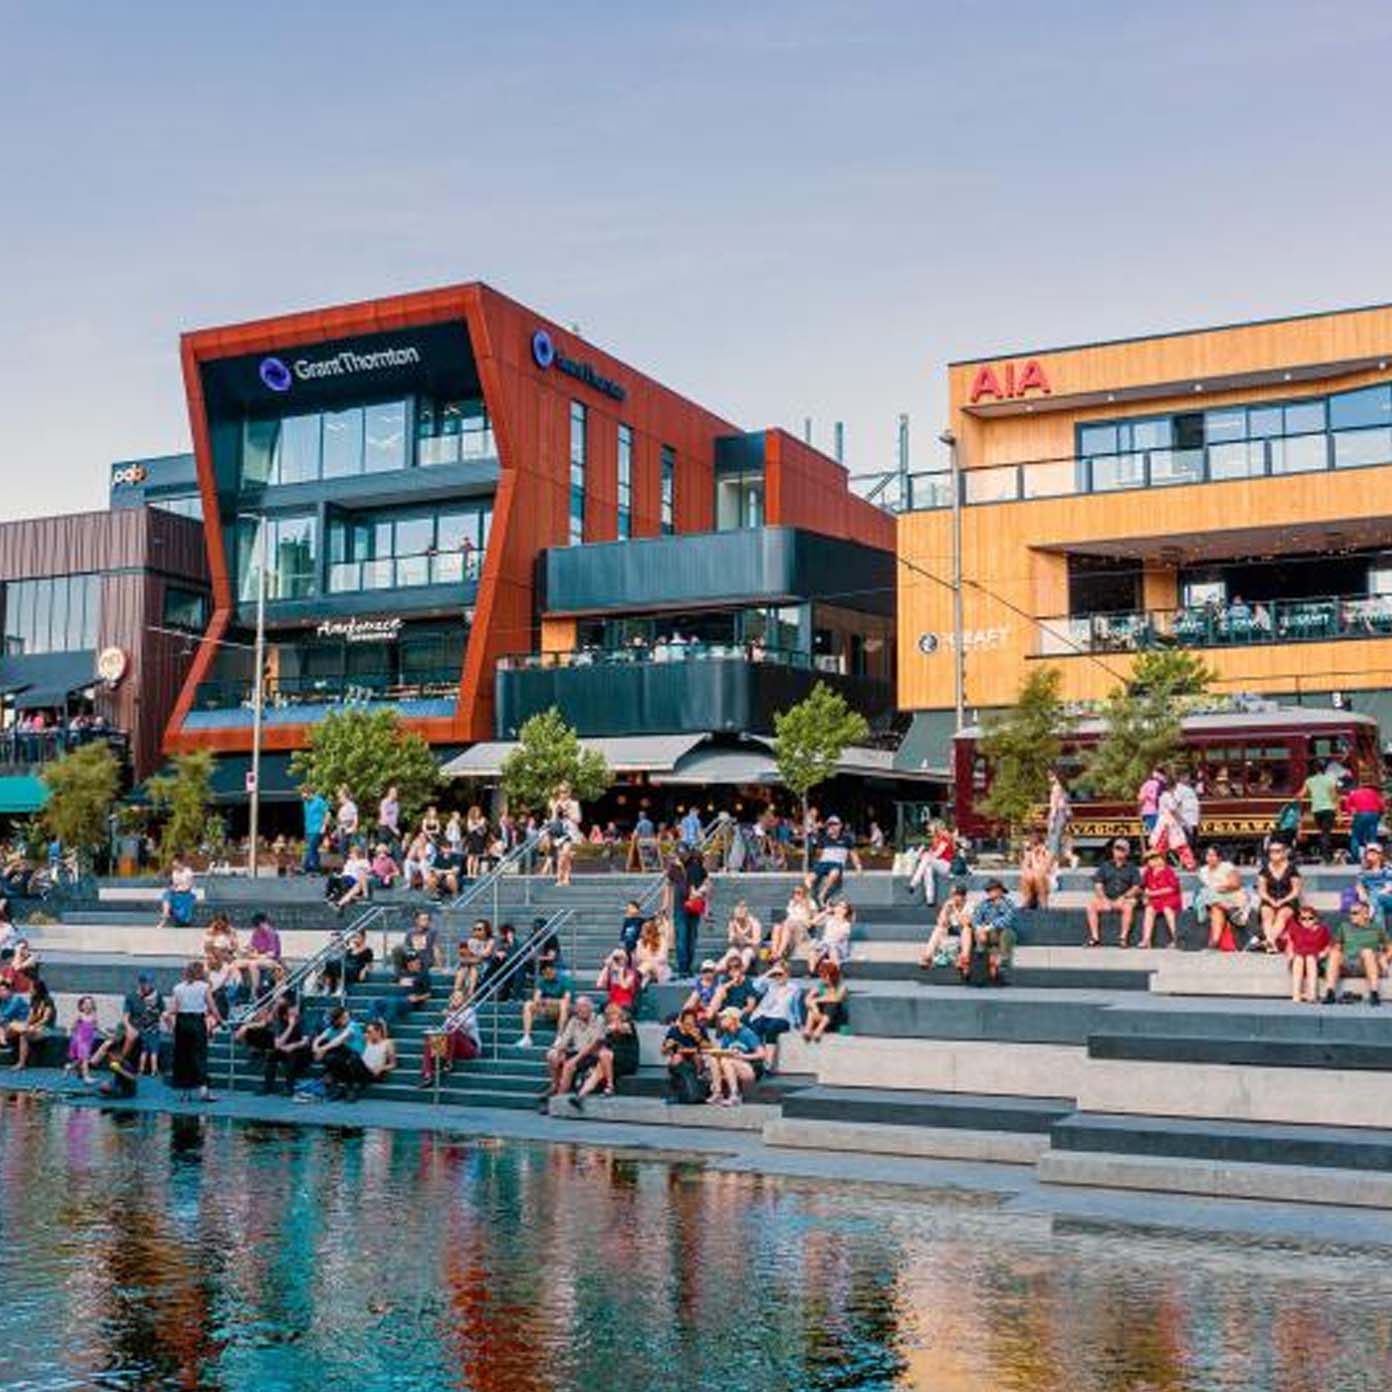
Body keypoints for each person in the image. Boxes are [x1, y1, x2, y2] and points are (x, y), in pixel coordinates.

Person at [171, 959, 220, 1103]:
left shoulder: (178, 987)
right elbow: (212, 1006)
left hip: (182, 1022)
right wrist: (221, 1020)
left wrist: (167, 1015)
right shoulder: (204, 986)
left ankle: (185, 1093)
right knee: (199, 1055)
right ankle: (204, 1091)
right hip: (196, 1021)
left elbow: (175, 1008)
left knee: (184, 1057)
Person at [573, 1002, 640, 1103]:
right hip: (611, 1061)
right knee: (598, 1070)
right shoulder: (607, 1030)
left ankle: (610, 1085)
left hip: (628, 1061)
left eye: (613, 1013)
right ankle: (581, 1095)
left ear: (620, 1015)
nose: (610, 1016)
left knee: (604, 1054)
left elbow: (622, 1028)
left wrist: (611, 1028)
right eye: (608, 1014)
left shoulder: (629, 1025)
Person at [1324, 900, 1386, 1006]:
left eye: (1355, 913)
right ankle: (1330, 993)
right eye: (1350, 912)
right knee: (1335, 953)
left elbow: (1390, 947)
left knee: (1367, 952)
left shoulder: (1377, 928)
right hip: (1347, 964)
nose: (1351, 915)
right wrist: (1330, 951)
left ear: (1366, 914)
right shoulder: (1344, 926)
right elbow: (1337, 946)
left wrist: (1385, 958)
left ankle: (1374, 993)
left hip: (1366, 964)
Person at [546, 994, 606, 1099]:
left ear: (590, 1007)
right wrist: (558, 1050)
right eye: (578, 1007)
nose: (580, 1010)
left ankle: (558, 1096)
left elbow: (595, 1044)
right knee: (552, 1055)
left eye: (583, 1006)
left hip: (591, 1054)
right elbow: (565, 1039)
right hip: (576, 1052)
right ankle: (554, 1085)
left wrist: (575, 1059)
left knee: (569, 1065)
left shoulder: (599, 1019)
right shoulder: (574, 1020)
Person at [1086, 839, 1141, 948]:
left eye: (1122, 850)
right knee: (1090, 905)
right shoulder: (1105, 866)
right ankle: (1095, 938)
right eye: (1117, 849)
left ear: (1127, 852)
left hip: (1124, 898)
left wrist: (1124, 897)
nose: (1119, 852)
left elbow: (1136, 887)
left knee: (1128, 906)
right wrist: (1104, 899)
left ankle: (1123, 938)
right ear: (1113, 851)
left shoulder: (1132, 868)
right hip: (1107, 898)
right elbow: (1098, 884)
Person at [1193, 846, 1249, 950]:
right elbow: (1207, 887)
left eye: (1213, 855)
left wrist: (1222, 888)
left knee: (1211, 899)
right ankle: (1215, 939)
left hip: (1231, 894)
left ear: (1219, 857)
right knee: (1209, 899)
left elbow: (1236, 884)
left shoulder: (1227, 866)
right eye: (1208, 855)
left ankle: (1214, 940)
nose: (1211, 858)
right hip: (1215, 898)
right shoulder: (1203, 871)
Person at [961, 879, 1016, 984]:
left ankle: (1003, 960)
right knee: (977, 933)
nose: (990, 893)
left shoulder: (1008, 903)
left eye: (992, 890)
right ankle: (980, 959)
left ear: (1000, 891)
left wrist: (989, 927)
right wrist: (979, 928)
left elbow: (1008, 919)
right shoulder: (984, 904)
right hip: (986, 933)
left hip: (1002, 932)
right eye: (988, 891)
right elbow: (976, 918)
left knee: (1006, 933)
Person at [421, 992, 481, 1087]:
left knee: (452, 1030)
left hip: (470, 1048)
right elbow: (443, 1031)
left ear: (464, 1000)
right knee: (431, 1037)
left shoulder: (469, 1011)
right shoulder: (451, 1013)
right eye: (454, 997)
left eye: (459, 997)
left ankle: (448, 1063)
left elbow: (466, 1025)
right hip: (454, 1049)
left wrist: (450, 1015)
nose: (456, 999)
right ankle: (427, 1075)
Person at [748, 961, 800, 1071]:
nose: (778, 977)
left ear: (787, 974)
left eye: (780, 974)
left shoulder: (794, 988)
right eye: (776, 974)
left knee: (772, 1028)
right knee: (756, 1025)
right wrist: (769, 973)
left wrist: (798, 1022)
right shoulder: (770, 984)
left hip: (782, 1017)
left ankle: (768, 1063)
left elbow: (795, 1006)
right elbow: (754, 986)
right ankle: (755, 1060)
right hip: (764, 1015)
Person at [707, 1007, 764, 1106]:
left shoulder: (747, 1033)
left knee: (726, 1060)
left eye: (724, 1018)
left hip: (751, 1068)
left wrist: (742, 1056)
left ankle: (735, 1095)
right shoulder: (727, 1034)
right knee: (713, 1059)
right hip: (733, 1066)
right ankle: (717, 1093)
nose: (721, 1020)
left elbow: (762, 1054)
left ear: (733, 1019)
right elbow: (724, 1052)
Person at [312, 1006, 371, 1101]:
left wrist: (322, 1049)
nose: (347, 1019)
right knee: (331, 1054)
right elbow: (319, 1038)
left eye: (347, 1017)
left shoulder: (352, 1026)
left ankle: (350, 1089)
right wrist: (315, 1047)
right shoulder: (332, 1029)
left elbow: (340, 1040)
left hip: (359, 1065)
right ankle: (335, 1088)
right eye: (344, 1018)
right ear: (337, 1020)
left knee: (341, 1050)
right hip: (344, 1061)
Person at [1255, 841, 1301, 953]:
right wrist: (1270, 900)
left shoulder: (1292, 869)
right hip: (1269, 898)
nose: (1274, 854)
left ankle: (1268, 941)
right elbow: (1261, 891)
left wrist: (1282, 901)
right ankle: (1271, 944)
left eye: (1277, 851)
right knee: (1266, 913)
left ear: (1284, 853)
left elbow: (1296, 891)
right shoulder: (1264, 870)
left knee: (1282, 914)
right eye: (1271, 851)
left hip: (1288, 899)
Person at [261, 996, 312, 1095]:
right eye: (291, 1010)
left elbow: (305, 1041)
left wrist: (292, 1046)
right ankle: (267, 1086)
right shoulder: (279, 1022)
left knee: (291, 1054)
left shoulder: (301, 1020)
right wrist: (290, 1026)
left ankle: (289, 1087)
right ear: (285, 1015)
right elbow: (278, 1044)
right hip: (285, 1048)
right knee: (271, 1054)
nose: (294, 1011)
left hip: (301, 1051)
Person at [808, 814, 860, 908]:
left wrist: (858, 866)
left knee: (834, 873)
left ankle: (822, 895)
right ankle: (809, 899)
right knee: (809, 878)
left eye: (835, 824)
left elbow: (853, 854)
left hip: (836, 864)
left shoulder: (846, 839)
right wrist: (816, 865)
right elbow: (819, 854)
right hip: (823, 863)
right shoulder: (823, 839)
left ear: (840, 826)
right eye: (830, 824)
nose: (832, 826)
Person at [519, 958, 573, 1048]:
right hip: (547, 1008)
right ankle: (526, 1037)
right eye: (544, 974)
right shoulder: (542, 980)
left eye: (548, 973)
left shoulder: (565, 979)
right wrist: (546, 1002)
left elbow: (566, 999)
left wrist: (548, 1001)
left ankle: (559, 1037)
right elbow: (536, 999)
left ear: (553, 970)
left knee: (563, 1004)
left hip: (561, 1009)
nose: (546, 975)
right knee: (528, 1004)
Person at [662, 1005, 710, 1104]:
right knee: (677, 1058)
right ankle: (679, 1092)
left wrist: (698, 1038)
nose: (690, 1026)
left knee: (697, 1057)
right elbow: (663, 1051)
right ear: (682, 1023)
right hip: (679, 1061)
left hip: (695, 1059)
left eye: (692, 1023)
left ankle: (694, 1086)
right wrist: (668, 1046)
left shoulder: (699, 1029)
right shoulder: (674, 1031)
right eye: (687, 1023)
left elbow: (709, 1047)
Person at [1287, 904, 1332, 1005]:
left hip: (1316, 959)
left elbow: (1329, 944)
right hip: (1298, 958)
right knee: (1299, 958)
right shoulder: (1295, 929)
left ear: (1315, 919)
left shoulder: (1322, 929)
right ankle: (1296, 994)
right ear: (1299, 920)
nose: (1307, 921)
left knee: (1310, 959)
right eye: (1303, 918)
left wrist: (1324, 953)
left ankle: (1312, 995)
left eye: (1310, 918)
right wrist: (1290, 954)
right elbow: (1290, 943)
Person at [921, 881, 972, 968]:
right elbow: (941, 922)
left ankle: (964, 958)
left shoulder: (970, 905)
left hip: (966, 931)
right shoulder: (949, 904)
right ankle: (928, 956)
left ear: (962, 896)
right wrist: (945, 911)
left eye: (955, 895)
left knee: (966, 929)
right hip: (951, 929)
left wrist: (955, 910)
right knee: (939, 929)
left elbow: (965, 923)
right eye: (952, 895)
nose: (953, 898)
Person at [124, 973, 165, 1076]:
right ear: (141, 984)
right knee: (147, 1049)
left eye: (150, 983)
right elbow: (126, 1016)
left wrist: (169, 1022)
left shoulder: (157, 995)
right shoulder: (131, 996)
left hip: (150, 1028)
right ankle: (123, 1059)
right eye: (146, 983)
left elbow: (163, 1011)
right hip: (137, 1026)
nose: (149, 986)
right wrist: (129, 1027)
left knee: (148, 1050)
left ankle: (149, 1069)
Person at [1139, 849, 1182, 949]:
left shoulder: (1168, 870)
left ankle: (1176, 938)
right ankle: (1146, 939)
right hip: (1155, 899)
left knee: (1167, 909)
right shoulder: (1148, 872)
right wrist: (1145, 896)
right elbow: (1143, 886)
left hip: (1170, 898)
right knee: (1149, 909)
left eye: (1155, 858)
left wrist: (1153, 893)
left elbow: (1172, 888)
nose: (1153, 861)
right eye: (1149, 860)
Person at [9, 978, 53, 1070]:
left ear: (37, 989)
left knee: (23, 1036)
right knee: (12, 1025)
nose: (29, 990)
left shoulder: (48, 1000)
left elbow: (45, 1019)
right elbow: (31, 1015)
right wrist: (27, 1024)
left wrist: (34, 1026)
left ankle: (21, 1063)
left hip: (45, 1028)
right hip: (32, 1027)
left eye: (31, 988)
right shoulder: (33, 999)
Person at [1302, 761, 1340, 863]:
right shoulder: (1330, 779)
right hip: (1328, 809)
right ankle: (1327, 857)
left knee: (1323, 833)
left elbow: (1302, 793)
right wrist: (1338, 810)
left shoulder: (1309, 780)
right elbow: (1334, 795)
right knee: (1326, 833)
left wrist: (1294, 799)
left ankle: (1327, 855)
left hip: (1316, 810)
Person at [802, 960, 847, 1042]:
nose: (822, 978)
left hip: (834, 1018)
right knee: (811, 1009)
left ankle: (819, 1030)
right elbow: (807, 999)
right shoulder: (820, 986)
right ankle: (807, 1030)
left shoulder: (841, 987)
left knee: (832, 1005)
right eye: (821, 975)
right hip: (820, 1016)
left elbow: (836, 998)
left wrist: (816, 1000)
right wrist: (814, 1007)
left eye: (825, 976)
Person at [1345, 779, 1386, 863]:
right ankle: (1373, 858)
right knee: (1372, 837)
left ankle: (1355, 858)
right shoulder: (1374, 793)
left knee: (1355, 837)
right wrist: (1381, 813)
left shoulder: (1354, 793)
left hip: (1360, 815)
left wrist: (1351, 813)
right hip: (1373, 815)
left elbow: (1347, 804)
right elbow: (1381, 805)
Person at [770, 886, 814, 961]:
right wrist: (794, 905)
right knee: (777, 925)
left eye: (798, 893)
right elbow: (788, 916)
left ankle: (780, 953)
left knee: (788, 923)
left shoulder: (810, 903)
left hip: (801, 929)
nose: (795, 895)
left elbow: (810, 920)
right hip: (789, 928)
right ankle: (774, 952)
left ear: (804, 894)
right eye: (794, 892)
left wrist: (805, 905)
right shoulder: (791, 903)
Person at [1018, 834, 1054, 910]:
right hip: (1031, 880)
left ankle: (1043, 902)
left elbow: (1045, 870)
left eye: (1037, 844)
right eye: (1033, 845)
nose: (1035, 847)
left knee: (1039, 876)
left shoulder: (1047, 854)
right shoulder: (1029, 855)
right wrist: (1029, 856)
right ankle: (1027, 898)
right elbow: (1024, 869)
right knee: (1027, 877)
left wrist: (1042, 854)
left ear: (1042, 844)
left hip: (1045, 880)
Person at [726, 899, 763, 970]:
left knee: (746, 954)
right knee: (731, 954)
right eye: (737, 919)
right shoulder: (733, 922)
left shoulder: (754, 922)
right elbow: (730, 940)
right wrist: (735, 939)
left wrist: (746, 940)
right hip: (737, 946)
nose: (739, 921)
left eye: (741, 920)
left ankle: (739, 973)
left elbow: (757, 941)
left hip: (751, 948)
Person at [158, 861, 197, 928]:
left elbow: (190, 886)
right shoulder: (175, 872)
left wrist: (180, 889)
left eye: (176, 865)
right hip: (176, 891)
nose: (175, 867)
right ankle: (166, 914)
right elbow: (175, 884)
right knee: (166, 894)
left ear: (181, 864)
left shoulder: (188, 872)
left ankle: (164, 919)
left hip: (186, 892)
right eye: (174, 866)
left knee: (169, 896)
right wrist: (173, 888)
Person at [633, 919, 670, 986]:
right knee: (646, 975)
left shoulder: (661, 941)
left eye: (643, 930)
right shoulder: (640, 942)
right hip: (645, 969)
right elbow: (638, 959)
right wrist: (651, 958)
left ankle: (637, 978)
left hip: (659, 969)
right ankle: (640, 988)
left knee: (647, 966)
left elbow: (663, 958)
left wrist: (649, 960)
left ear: (649, 931)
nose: (641, 932)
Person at [360, 1020, 397, 1084]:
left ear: (378, 1032)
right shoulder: (367, 1040)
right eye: (367, 1032)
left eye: (370, 1032)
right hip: (362, 1068)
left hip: (373, 1071)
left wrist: (381, 1068)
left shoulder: (388, 1043)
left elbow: (393, 1064)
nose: (368, 1034)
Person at [302, 788, 329, 873]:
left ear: (310, 793)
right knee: (311, 849)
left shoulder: (319, 801)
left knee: (312, 847)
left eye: (305, 796)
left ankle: (307, 867)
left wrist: (324, 826)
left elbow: (327, 813)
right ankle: (315, 869)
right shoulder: (306, 802)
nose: (304, 798)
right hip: (308, 830)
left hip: (317, 829)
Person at [1045, 771, 1071, 859]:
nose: (1049, 778)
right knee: (1059, 838)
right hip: (1063, 815)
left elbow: (1054, 806)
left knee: (1054, 838)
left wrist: (1052, 820)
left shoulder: (1056, 788)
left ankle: (1054, 861)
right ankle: (1068, 857)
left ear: (1056, 776)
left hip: (1057, 815)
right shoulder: (1063, 788)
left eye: (1051, 776)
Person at [1137, 769, 1164, 840]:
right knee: (1156, 833)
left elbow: (1140, 799)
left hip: (1146, 812)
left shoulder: (1145, 785)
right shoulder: (1158, 784)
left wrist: (1139, 811)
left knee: (1151, 833)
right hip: (1154, 812)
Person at [464, 805, 490, 879]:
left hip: (479, 839)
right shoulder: (470, 819)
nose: (478, 813)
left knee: (477, 857)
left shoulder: (482, 819)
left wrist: (482, 826)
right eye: (477, 811)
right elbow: (470, 829)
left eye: (479, 812)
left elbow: (484, 831)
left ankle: (475, 872)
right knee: (471, 856)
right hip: (472, 839)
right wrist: (479, 825)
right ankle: (469, 872)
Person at [335, 786, 360, 851]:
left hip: (348, 829)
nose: (339, 799)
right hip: (342, 829)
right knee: (342, 848)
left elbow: (355, 816)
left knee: (345, 849)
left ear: (345, 796)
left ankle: (347, 860)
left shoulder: (350, 805)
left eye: (340, 797)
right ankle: (346, 860)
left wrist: (354, 827)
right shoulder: (343, 807)